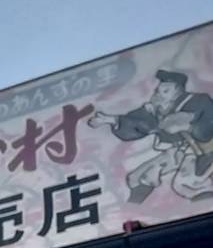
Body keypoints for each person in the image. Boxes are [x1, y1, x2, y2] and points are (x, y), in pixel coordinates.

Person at [90, 69, 213, 203]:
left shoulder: (198, 101)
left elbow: (202, 126)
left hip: (204, 151)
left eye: (166, 91)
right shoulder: (156, 108)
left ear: (178, 91)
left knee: (186, 184)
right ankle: (132, 209)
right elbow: (139, 124)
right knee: (137, 177)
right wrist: (114, 120)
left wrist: (185, 125)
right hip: (179, 151)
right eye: (158, 91)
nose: (159, 95)